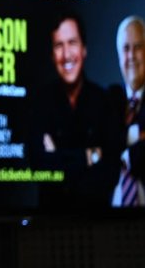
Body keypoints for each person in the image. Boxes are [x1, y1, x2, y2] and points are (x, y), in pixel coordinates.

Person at [28, 12, 116, 208]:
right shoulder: (40, 103)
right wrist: (89, 156)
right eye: (59, 46)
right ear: (52, 55)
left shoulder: (103, 101)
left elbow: (110, 173)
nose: (66, 55)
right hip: (49, 225)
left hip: (98, 223)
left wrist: (58, 157)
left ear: (84, 49)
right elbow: (39, 167)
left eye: (72, 43)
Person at [110, 15, 145, 207]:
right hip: (104, 219)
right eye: (126, 48)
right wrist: (138, 134)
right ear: (119, 56)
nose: (131, 55)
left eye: (138, 47)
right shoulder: (108, 100)